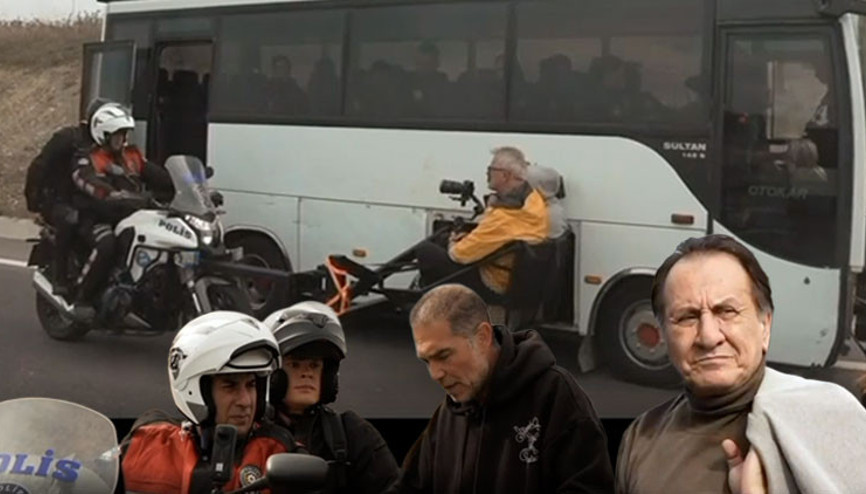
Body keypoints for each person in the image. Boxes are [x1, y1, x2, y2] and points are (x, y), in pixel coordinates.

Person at [616, 234, 866, 493]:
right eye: (687, 317)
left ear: (765, 326)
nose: (709, 337)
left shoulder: (827, 414)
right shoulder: (641, 438)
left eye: (727, 311)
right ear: (664, 335)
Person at [397, 284, 614, 493]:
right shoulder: (448, 415)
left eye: (444, 356)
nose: (435, 374)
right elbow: (412, 486)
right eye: (427, 361)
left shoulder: (554, 396)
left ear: (482, 337)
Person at [121, 311, 302, 493]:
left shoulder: (277, 452)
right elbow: (98, 475)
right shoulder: (148, 443)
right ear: (197, 390)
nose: (245, 401)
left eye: (252, 385)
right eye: (230, 386)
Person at [263, 301, 401, 493]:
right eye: (295, 365)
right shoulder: (253, 431)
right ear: (273, 374)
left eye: (314, 366)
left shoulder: (351, 433)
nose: (307, 374)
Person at [70, 102, 173, 316]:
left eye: (124, 134)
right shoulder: (88, 158)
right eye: (117, 134)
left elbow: (159, 176)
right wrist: (113, 194)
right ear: (103, 135)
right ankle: (81, 297)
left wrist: (191, 187)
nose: (122, 139)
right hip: (97, 216)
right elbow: (88, 182)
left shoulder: (131, 156)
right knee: (107, 244)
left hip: (131, 214)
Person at [415, 146, 554, 296]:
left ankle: (433, 305)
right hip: (515, 277)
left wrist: (453, 241)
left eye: (490, 169)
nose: (487, 174)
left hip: (494, 283)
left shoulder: (504, 218)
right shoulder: (533, 200)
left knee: (425, 251)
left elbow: (459, 255)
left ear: (505, 175)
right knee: (441, 243)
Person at [23, 97, 111, 296]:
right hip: (58, 199)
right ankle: (60, 277)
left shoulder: (104, 146)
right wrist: (35, 202)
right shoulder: (67, 139)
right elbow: (39, 166)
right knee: (70, 219)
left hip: (84, 198)